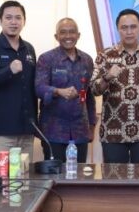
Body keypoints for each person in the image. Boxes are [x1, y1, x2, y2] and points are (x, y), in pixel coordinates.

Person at [91, 9, 139, 164]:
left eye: (133, 27)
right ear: (118, 29)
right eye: (124, 28)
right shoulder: (105, 55)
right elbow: (94, 90)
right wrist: (107, 77)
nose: (129, 32)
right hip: (113, 131)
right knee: (114, 182)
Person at [0, 0, 38, 156]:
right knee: (2, 178)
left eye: (18, 18)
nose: (13, 22)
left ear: (24, 21)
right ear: (0, 21)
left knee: (24, 178)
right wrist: (8, 71)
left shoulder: (29, 49)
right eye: (8, 17)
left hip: (26, 129)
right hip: (0, 131)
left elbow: (32, 87)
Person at [35, 18, 97, 162]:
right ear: (56, 37)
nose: (68, 36)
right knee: (54, 178)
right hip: (53, 131)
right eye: (63, 32)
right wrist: (58, 91)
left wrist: (92, 126)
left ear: (78, 35)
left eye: (72, 32)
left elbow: (89, 95)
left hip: (80, 131)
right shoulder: (46, 59)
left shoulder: (87, 60)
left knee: (79, 177)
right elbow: (38, 88)